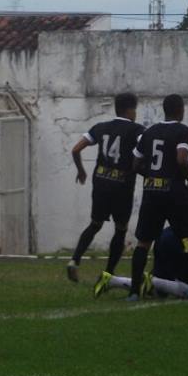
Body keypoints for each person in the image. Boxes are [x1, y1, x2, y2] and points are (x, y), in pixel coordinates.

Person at [127, 94, 188, 300]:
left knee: (143, 242)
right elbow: (181, 159)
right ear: (181, 110)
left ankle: (134, 291)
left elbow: (135, 164)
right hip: (174, 191)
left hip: (152, 191)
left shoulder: (148, 132)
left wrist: (153, 176)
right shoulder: (183, 131)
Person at [67, 92, 144, 283]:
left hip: (101, 182)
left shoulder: (100, 127)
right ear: (130, 110)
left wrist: (81, 171)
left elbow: (76, 149)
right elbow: (143, 151)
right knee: (121, 229)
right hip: (122, 185)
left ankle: (74, 260)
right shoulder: (137, 130)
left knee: (95, 224)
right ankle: (108, 273)